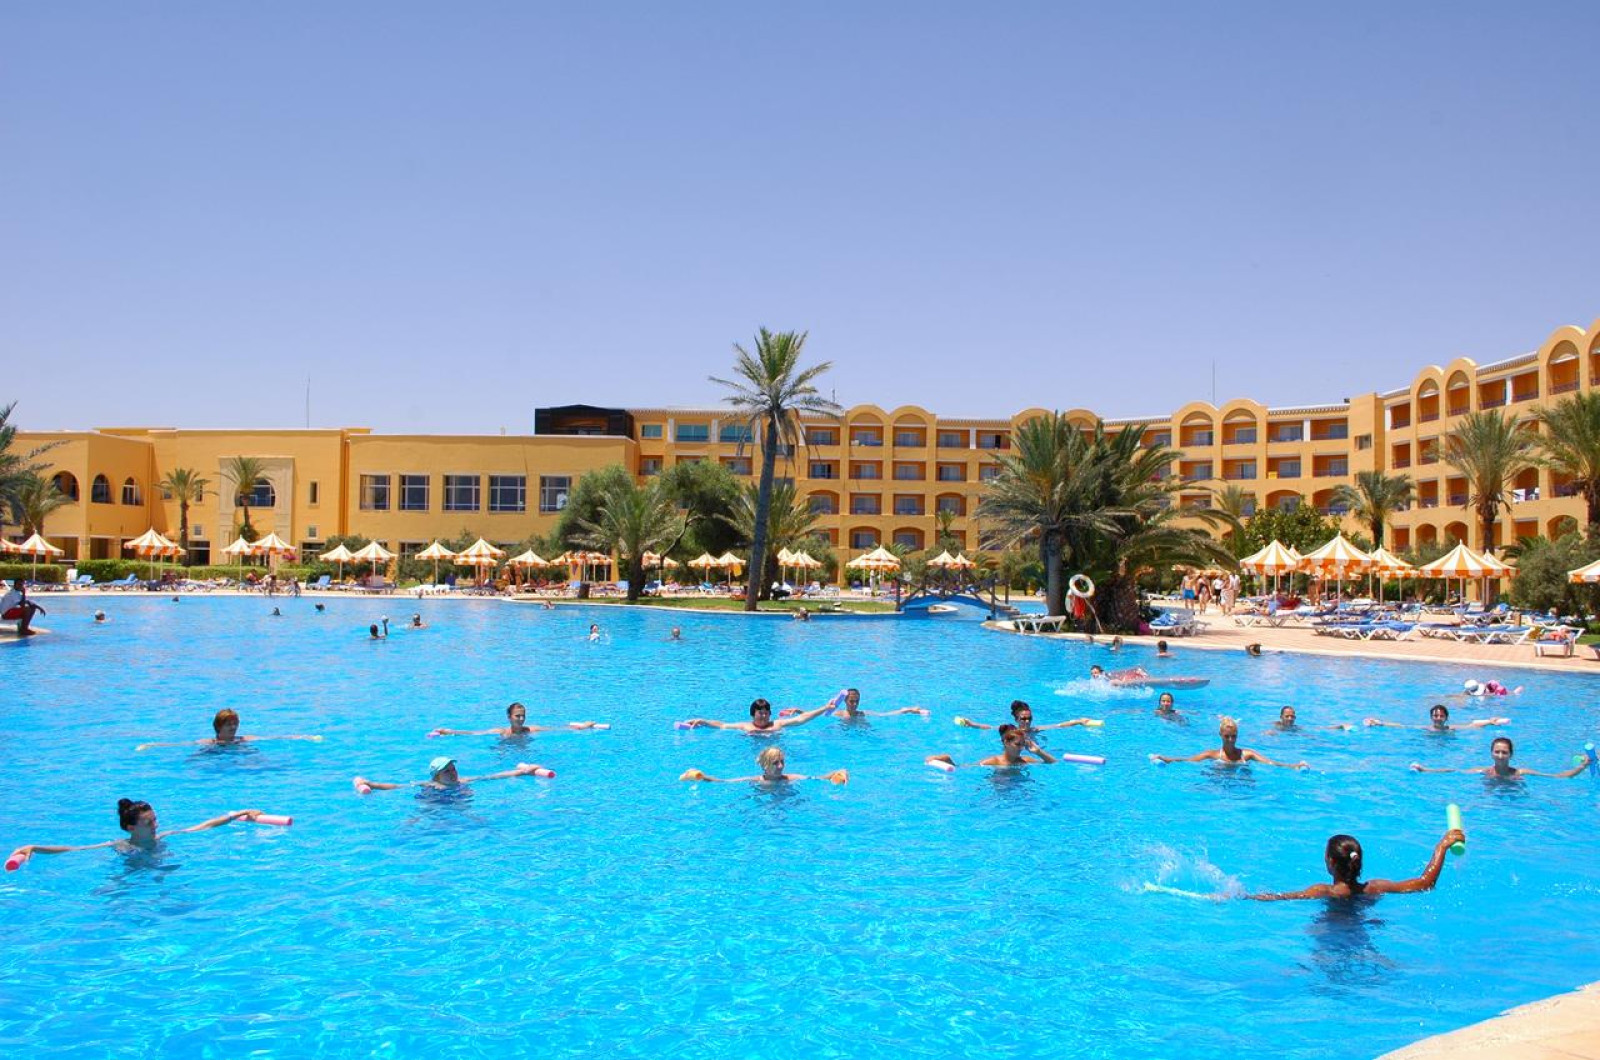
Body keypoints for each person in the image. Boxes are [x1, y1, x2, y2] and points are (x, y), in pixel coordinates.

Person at [8, 799, 275, 862]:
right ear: (131, 827)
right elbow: (71, 849)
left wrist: (239, 813)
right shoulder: (120, 846)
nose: (156, 825)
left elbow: (205, 825)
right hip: (130, 879)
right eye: (149, 822)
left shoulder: (164, 837)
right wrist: (34, 847)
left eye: (155, 820)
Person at [1248, 829, 1466, 901]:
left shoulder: (1322, 891)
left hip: (1332, 940)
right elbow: (1425, 883)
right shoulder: (1375, 888)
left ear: (1331, 862)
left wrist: (1242, 896)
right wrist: (1441, 848)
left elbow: (1280, 897)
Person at [1150, 717, 1307, 769]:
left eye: (1234, 736)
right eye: (1227, 736)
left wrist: (1294, 766)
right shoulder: (1212, 754)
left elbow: (1271, 763)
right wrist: (1165, 759)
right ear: (1220, 735)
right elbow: (1187, 760)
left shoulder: (1247, 754)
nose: (1231, 740)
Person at [135, 708, 324, 751]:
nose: (233, 727)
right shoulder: (209, 743)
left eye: (235, 724)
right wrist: (151, 745)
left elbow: (276, 737)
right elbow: (179, 744)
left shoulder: (243, 740)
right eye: (229, 724)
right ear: (219, 726)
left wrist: (304, 737)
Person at [1410, 736, 1591, 780]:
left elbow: (1558, 776)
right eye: (1497, 752)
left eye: (1504, 752)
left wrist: (1583, 766)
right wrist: (1425, 769)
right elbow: (1453, 771)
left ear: (1511, 754)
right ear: (1491, 753)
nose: (1500, 755)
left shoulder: (1520, 773)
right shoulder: (1485, 772)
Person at [355, 757, 551, 792]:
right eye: (447, 771)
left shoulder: (463, 781)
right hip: (435, 803)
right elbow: (396, 787)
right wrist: (371, 784)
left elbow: (495, 776)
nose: (452, 773)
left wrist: (523, 771)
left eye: (453, 768)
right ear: (436, 776)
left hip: (458, 801)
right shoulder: (430, 785)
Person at [680, 746, 847, 785]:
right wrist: (701, 776)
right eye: (775, 763)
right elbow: (723, 782)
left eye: (782, 762)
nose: (781, 766)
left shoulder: (790, 778)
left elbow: (819, 778)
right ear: (765, 766)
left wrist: (838, 772)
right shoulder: (756, 781)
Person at [430, 702, 604, 737]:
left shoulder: (531, 730)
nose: (521, 719)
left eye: (523, 716)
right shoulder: (501, 732)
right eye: (517, 716)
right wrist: (449, 732)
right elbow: (474, 734)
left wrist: (584, 726)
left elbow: (559, 729)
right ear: (509, 717)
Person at [926, 724, 1057, 769]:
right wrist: (947, 761)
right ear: (1006, 743)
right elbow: (964, 768)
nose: (1021, 748)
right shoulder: (993, 761)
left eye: (1023, 745)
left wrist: (1038, 751)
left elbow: (1053, 763)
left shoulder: (1025, 760)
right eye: (1017, 744)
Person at [680, 697, 837, 734]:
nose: (763, 717)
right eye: (760, 713)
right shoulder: (745, 726)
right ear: (752, 714)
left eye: (766, 713)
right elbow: (722, 725)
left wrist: (824, 708)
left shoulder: (777, 724)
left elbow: (801, 719)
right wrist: (703, 721)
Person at [783, 688, 928, 721]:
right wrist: (798, 710)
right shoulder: (839, 714)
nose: (854, 704)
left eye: (857, 701)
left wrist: (907, 710)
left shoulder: (862, 714)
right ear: (845, 701)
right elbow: (815, 714)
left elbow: (885, 715)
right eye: (852, 701)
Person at [956, 699, 1095, 734]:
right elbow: (988, 727)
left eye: (1029, 718)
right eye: (1023, 719)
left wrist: (1079, 721)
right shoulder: (1011, 731)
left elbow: (1058, 725)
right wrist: (971, 724)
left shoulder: (1035, 730)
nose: (1027, 721)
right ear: (1016, 719)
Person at [1360, 704, 1508, 732]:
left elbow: (1472, 725)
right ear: (1431, 717)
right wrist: (1380, 723)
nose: (1438, 718)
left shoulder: (1451, 729)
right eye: (1435, 715)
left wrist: (1490, 722)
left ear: (1446, 717)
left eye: (1441, 715)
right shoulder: (1427, 729)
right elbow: (1402, 726)